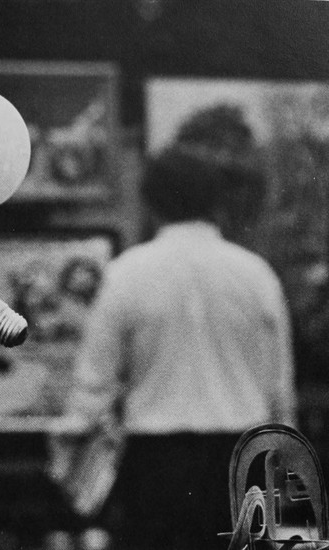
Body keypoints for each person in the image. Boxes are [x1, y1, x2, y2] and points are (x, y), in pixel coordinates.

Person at [60, 144, 297, 550]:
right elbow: (279, 390)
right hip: (244, 461)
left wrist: (69, 452)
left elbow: (94, 385)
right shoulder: (257, 276)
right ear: (216, 202)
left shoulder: (126, 275)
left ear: (151, 204)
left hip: (156, 463)